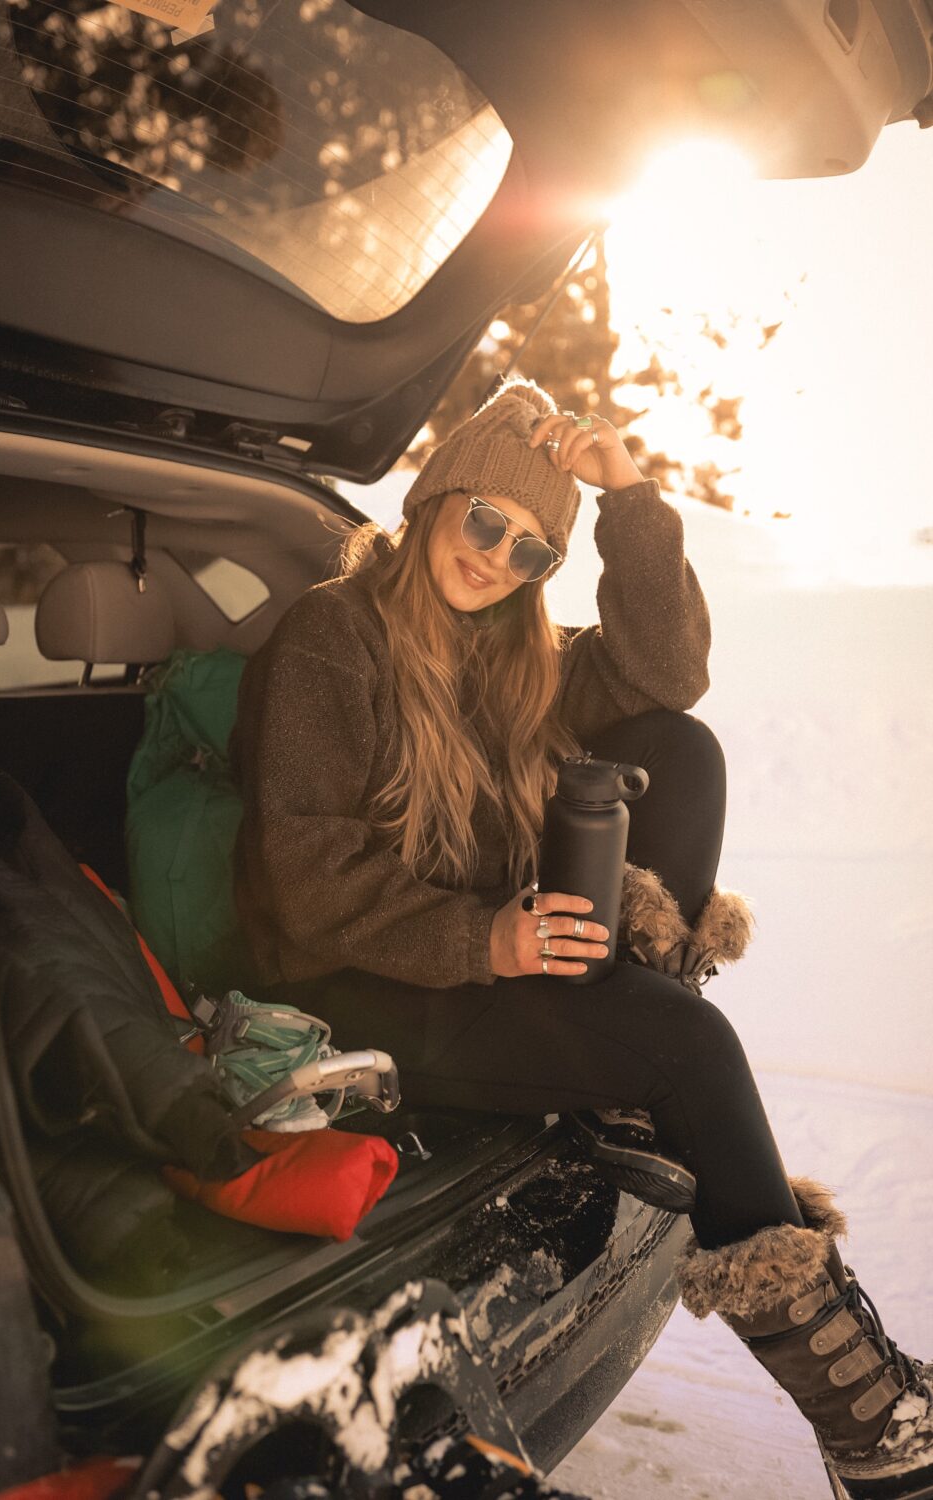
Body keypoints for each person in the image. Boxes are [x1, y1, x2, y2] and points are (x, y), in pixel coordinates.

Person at [231, 379, 931, 1500]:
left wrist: (630, 500)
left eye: (533, 552)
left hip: (482, 960)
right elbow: (306, 880)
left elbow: (665, 673)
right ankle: (864, 1422)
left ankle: (622, 1051)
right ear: (436, 501)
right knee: (688, 1047)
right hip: (357, 981)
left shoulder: (506, 649)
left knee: (678, 746)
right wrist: (485, 939)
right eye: (486, 524)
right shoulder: (334, 637)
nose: (500, 560)